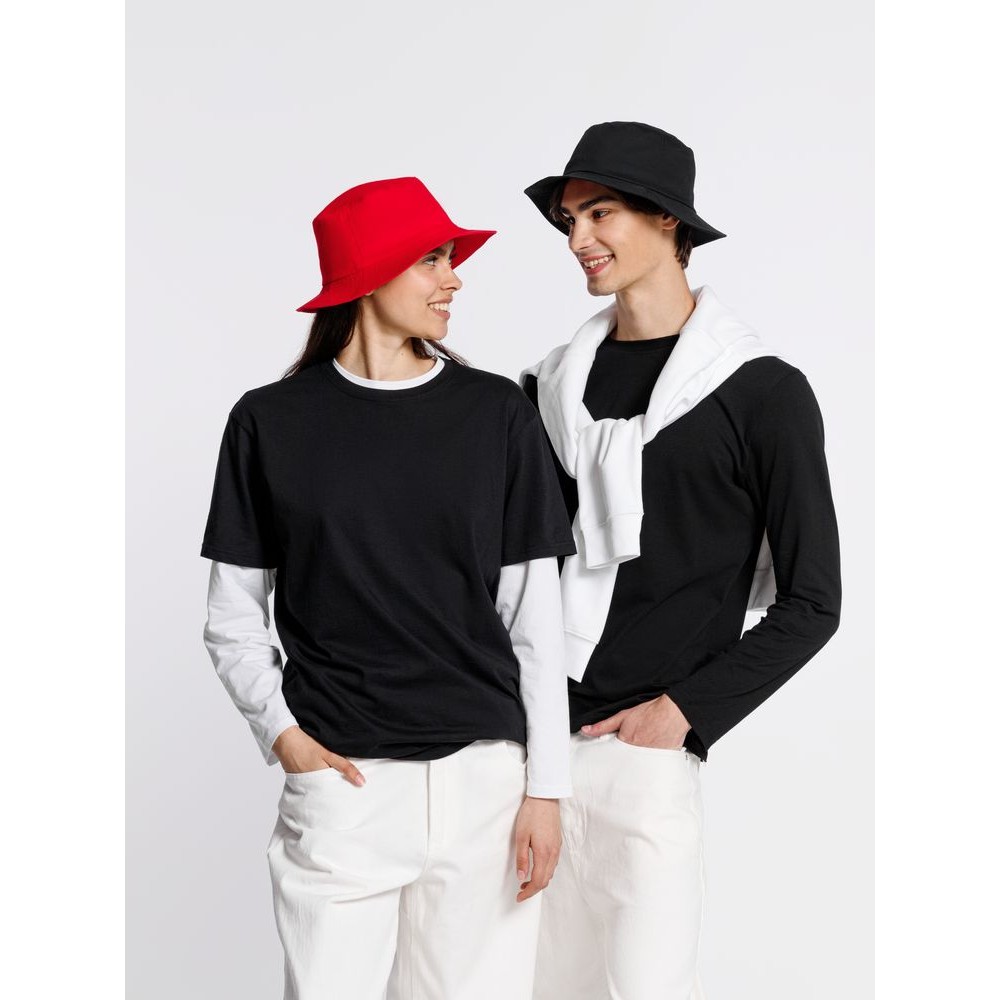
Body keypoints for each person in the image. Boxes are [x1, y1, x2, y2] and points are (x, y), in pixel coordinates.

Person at [200, 176, 576, 1000]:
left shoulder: (495, 414)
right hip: (345, 788)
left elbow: (534, 619)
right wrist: (284, 736)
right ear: (369, 275)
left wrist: (546, 788)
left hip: (484, 786)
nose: (454, 279)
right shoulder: (269, 422)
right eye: (432, 259)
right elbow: (233, 615)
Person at [519, 122, 842, 1000]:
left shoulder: (760, 391)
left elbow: (814, 601)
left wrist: (683, 714)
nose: (578, 239)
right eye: (570, 220)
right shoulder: (546, 387)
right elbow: (513, 574)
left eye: (601, 213)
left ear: (668, 220)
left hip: (646, 758)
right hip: (528, 752)